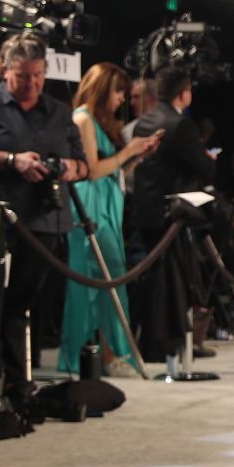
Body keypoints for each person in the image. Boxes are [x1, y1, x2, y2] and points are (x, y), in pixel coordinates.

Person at [0, 33, 89, 392]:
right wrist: (12, 161)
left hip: (44, 219)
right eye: (23, 75)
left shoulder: (59, 111)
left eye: (38, 75)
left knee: (22, 302)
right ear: (3, 70)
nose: (31, 83)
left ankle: (18, 381)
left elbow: (83, 166)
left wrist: (63, 167)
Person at [58, 62, 159, 377]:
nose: (121, 100)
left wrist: (137, 155)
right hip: (90, 207)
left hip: (107, 205)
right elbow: (92, 170)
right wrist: (129, 151)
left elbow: (111, 171)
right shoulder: (83, 119)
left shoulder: (98, 123)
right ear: (103, 90)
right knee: (100, 277)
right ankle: (102, 353)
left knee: (109, 279)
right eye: (118, 92)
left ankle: (108, 352)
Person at [130, 65, 215, 361]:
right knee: (172, 280)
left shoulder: (144, 121)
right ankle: (165, 344)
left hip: (145, 208)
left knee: (154, 279)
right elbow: (203, 168)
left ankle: (157, 341)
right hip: (171, 213)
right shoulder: (181, 125)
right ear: (184, 92)